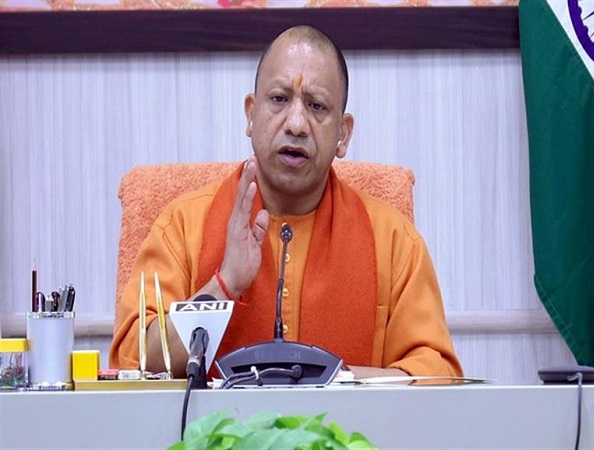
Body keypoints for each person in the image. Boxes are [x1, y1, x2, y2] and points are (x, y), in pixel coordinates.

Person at [109, 25, 463, 380]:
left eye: (316, 106)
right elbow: (135, 362)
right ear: (251, 114)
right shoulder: (183, 225)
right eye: (279, 99)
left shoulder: (393, 240)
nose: (296, 124)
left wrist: (333, 381)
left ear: (343, 134)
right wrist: (225, 283)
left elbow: (437, 376)